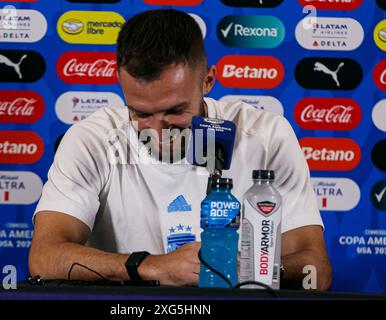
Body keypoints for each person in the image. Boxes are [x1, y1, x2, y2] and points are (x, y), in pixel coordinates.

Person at [29, 9, 332, 290]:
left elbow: (315, 270)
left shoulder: (267, 136)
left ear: (208, 81)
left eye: (175, 112)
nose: (158, 132)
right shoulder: (91, 139)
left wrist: (247, 268)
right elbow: (44, 258)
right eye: (141, 113)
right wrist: (153, 267)